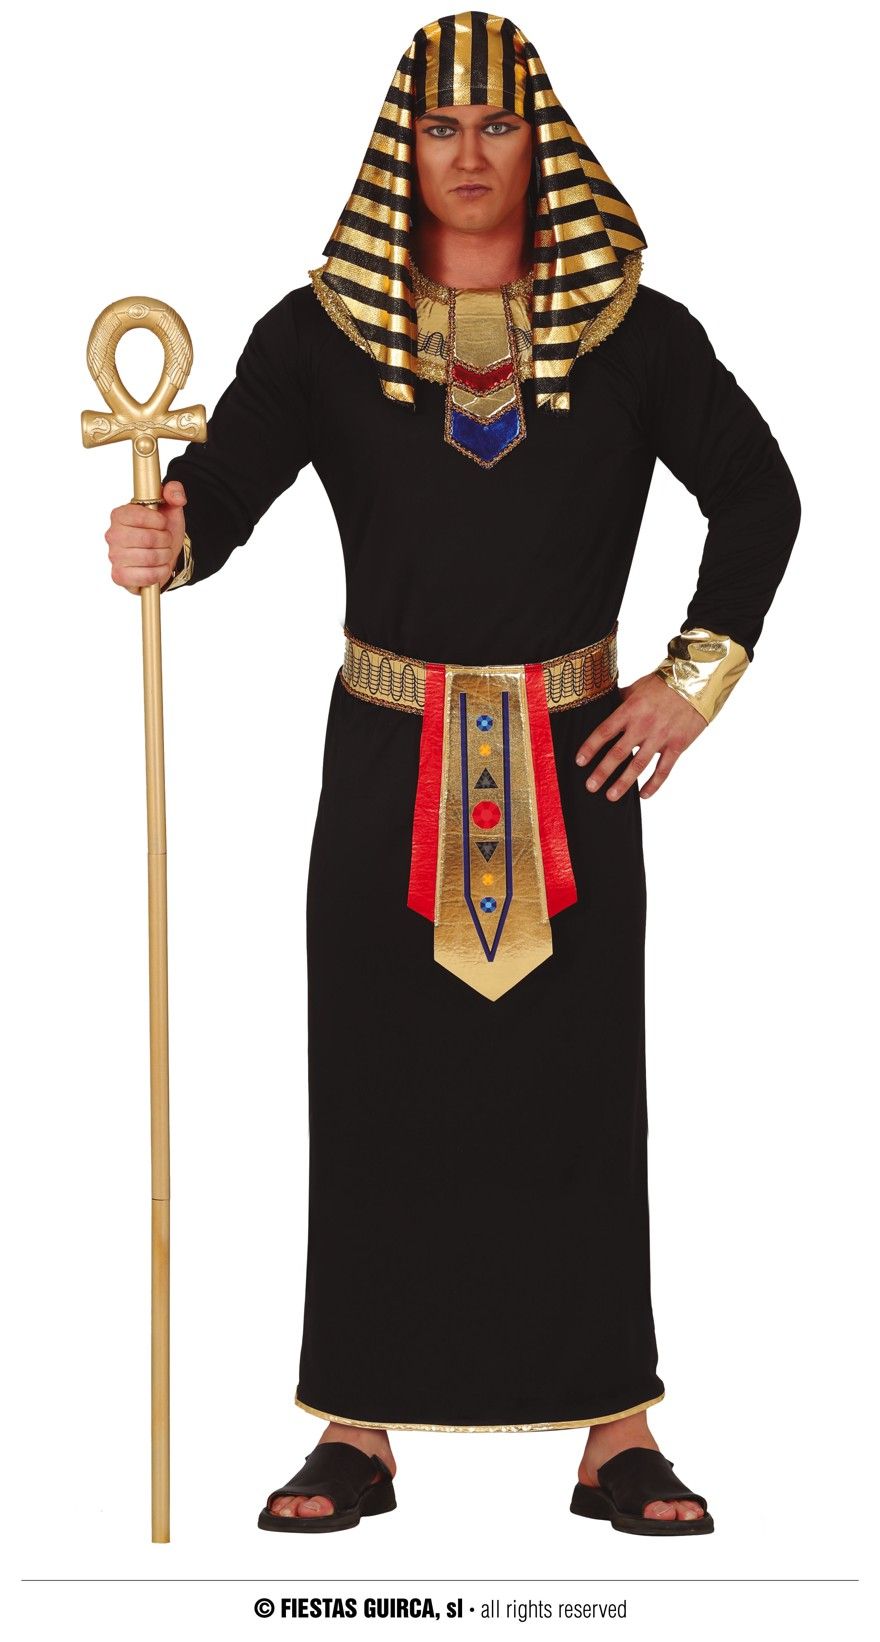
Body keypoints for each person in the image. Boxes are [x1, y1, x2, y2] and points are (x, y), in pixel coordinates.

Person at [104, 11, 800, 1537]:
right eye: (440, 128)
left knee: (577, 1090)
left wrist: (690, 682)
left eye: (494, 126)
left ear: (538, 141)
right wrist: (168, 534)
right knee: (377, 1087)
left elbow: (760, 495)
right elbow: (223, 488)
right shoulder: (323, 335)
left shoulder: (634, 335)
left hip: (574, 762)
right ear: (401, 148)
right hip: (387, 757)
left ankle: (617, 1433)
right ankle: (355, 1426)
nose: (468, 155)